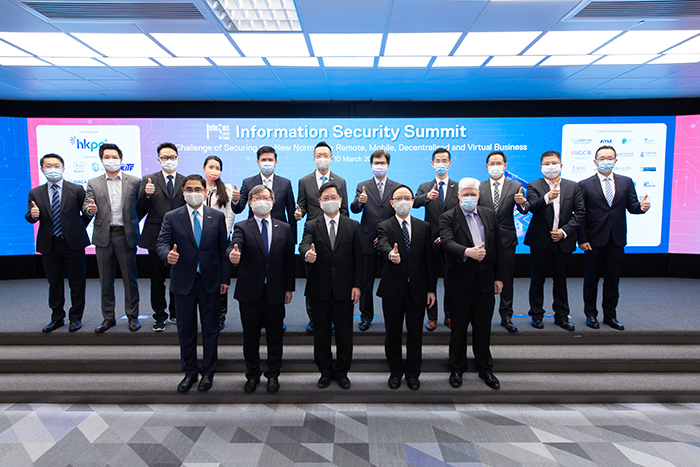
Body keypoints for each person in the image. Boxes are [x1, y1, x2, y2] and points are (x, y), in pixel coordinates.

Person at [156, 175, 230, 393]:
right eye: (189, 189)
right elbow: (161, 242)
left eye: (198, 188)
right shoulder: (171, 216)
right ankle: (190, 372)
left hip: (210, 282)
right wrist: (166, 255)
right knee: (185, 330)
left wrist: (225, 280)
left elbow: (223, 250)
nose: (194, 192)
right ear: (183, 192)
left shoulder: (216, 217)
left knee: (210, 330)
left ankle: (208, 372)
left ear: (205, 192)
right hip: (183, 282)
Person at [228, 184, 295, 394]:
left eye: (265, 197)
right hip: (250, 292)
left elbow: (288, 262)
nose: (261, 200)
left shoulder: (284, 228)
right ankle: (253, 375)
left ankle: (273, 375)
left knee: (275, 337)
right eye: (256, 197)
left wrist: (289, 288)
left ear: (273, 202)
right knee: (251, 337)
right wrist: (233, 254)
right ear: (249, 202)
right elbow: (234, 245)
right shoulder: (241, 226)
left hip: (275, 291)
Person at [440, 178, 505, 390]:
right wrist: (468, 252)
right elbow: (448, 243)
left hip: (486, 282)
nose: (469, 197)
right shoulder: (448, 217)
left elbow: (497, 248)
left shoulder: (488, 214)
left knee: (483, 328)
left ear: (479, 195)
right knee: (458, 328)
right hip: (460, 283)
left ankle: (485, 368)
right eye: (465, 194)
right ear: (458, 195)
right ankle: (457, 368)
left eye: (473, 194)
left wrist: (499, 277)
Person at [577, 145, 651, 331]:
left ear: (616, 160)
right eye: (602, 158)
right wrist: (582, 239)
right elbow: (581, 214)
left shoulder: (626, 182)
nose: (606, 161)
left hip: (616, 240)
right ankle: (591, 315)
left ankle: (610, 316)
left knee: (612, 280)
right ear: (595, 162)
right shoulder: (584, 184)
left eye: (610, 157)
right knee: (591, 280)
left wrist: (641, 207)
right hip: (593, 240)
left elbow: (632, 206)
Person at [299, 182, 362, 390]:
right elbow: (304, 243)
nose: (329, 201)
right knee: (321, 335)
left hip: (345, 289)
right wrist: (308, 253)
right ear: (319, 202)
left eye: (333, 197)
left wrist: (357, 285)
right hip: (319, 289)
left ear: (341, 199)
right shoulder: (311, 225)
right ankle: (325, 372)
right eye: (325, 198)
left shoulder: (352, 226)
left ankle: (342, 372)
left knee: (345, 335)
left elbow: (358, 258)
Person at [376, 185, 436, 391]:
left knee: (415, 334)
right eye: (398, 198)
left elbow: (429, 260)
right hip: (393, 289)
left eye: (407, 197)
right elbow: (382, 244)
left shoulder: (424, 226)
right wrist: (389, 255)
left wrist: (431, 290)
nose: (403, 201)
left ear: (413, 201)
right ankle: (395, 372)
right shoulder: (384, 226)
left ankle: (412, 373)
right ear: (392, 203)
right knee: (392, 333)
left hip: (418, 290)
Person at [26, 153, 91, 333]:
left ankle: (75, 318)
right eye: (48, 166)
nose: (52, 169)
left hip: (72, 244)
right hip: (49, 244)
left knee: (77, 283)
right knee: (54, 283)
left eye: (56, 166)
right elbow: (30, 216)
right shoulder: (35, 192)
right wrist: (33, 216)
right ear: (42, 169)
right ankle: (57, 318)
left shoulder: (76, 189)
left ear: (63, 168)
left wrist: (77, 228)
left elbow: (87, 213)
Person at [83, 143, 141, 333]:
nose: (110, 160)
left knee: (129, 278)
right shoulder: (93, 182)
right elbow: (86, 205)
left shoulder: (134, 181)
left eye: (114, 156)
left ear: (121, 158)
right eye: (106, 157)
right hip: (103, 236)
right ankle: (108, 317)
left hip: (126, 235)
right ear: (101, 159)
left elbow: (139, 207)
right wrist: (88, 210)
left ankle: (132, 316)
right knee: (105, 279)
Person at [524, 150, 585, 332]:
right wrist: (547, 197)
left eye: (554, 163)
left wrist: (564, 232)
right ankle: (536, 315)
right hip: (540, 240)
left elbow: (580, 213)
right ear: (541, 167)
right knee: (537, 279)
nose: (551, 166)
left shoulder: (573, 187)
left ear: (561, 165)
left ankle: (561, 316)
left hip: (563, 241)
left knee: (561, 280)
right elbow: (532, 207)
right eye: (547, 164)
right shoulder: (534, 186)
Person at [295, 141, 349, 334]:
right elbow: (300, 206)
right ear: (314, 158)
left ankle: (334, 318)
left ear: (331, 158)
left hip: (336, 235)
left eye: (326, 155)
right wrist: (298, 214)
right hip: (314, 233)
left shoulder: (340, 181)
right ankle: (313, 317)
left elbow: (345, 212)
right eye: (319, 155)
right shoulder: (304, 181)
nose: (322, 158)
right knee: (314, 278)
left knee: (336, 277)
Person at [136, 142, 186, 332]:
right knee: (157, 279)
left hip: (180, 238)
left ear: (178, 158)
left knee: (178, 278)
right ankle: (159, 316)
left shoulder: (185, 180)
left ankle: (176, 313)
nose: (169, 160)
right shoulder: (148, 180)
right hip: (154, 238)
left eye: (172, 157)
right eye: (165, 157)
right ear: (158, 160)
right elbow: (139, 211)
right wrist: (146, 196)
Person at [478, 150, 530, 333]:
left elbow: (524, 211)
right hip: (484, 240)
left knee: (506, 277)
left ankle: (506, 316)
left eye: (498, 163)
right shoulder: (480, 187)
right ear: (486, 166)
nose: (495, 166)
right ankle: (482, 315)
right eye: (491, 163)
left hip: (507, 239)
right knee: (483, 278)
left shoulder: (516, 186)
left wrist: (522, 202)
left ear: (505, 165)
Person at [350, 149, 399, 331]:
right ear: (371, 166)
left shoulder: (396, 187)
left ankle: (393, 317)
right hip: (367, 241)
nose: (380, 166)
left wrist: (385, 238)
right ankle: (365, 316)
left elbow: (399, 214)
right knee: (366, 282)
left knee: (392, 281)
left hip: (389, 241)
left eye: (383, 163)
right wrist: (360, 202)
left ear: (388, 165)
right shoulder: (363, 185)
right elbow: (354, 209)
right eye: (376, 163)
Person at [413, 148, 459, 331]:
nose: (441, 163)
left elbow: (461, 214)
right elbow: (413, 202)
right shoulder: (425, 187)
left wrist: (447, 236)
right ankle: (432, 318)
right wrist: (426, 197)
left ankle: (449, 316)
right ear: (432, 164)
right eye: (437, 160)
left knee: (451, 280)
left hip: (452, 241)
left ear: (450, 163)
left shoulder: (458, 187)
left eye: (444, 160)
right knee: (429, 280)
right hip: (430, 240)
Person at [203, 155, 238, 331]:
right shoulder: (197, 187)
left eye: (217, 168)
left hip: (220, 240)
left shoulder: (226, 189)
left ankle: (221, 314)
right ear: (204, 168)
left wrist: (223, 236)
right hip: (200, 242)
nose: (214, 171)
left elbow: (229, 215)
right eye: (211, 167)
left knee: (221, 279)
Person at [231, 145, 296, 240]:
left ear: (275, 162)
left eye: (270, 160)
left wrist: (292, 237)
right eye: (264, 160)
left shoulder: (285, 183)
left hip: (279, 232)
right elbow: (239, 209)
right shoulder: (248, 182)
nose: (267, 163)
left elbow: (291, 211)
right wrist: (236, 201)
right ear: (258, 162)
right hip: (253, 231)